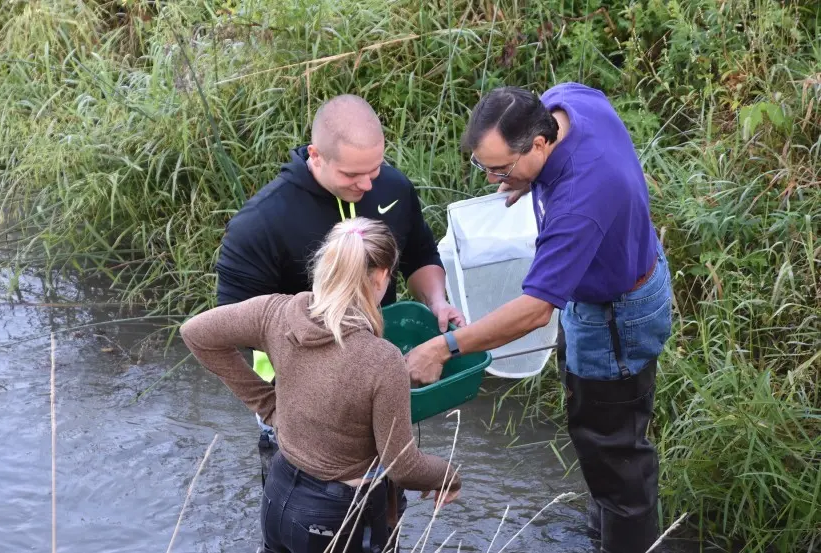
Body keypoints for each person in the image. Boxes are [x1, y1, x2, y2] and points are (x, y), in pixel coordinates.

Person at [405, 83, 673, 553]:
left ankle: (623, 535)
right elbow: (577, 111)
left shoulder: (580, 203)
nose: (493, 180)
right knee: (594, 425)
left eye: (501, 169)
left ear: (540, 144)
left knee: (617, 454)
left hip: (616, 317)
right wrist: (526, 178)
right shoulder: (567, 103)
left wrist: (443, 346)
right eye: (484, 167)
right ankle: (601, 523)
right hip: (604, 283)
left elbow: (534, 311)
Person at [213, 95, 465, 490]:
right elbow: (224, 326)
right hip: (296, 401)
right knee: (302, 518)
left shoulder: (393, 187)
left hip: (377, 380)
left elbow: (421, 255)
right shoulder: (260, 223)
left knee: (382, 507)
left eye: (375, 169)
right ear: (316, 155)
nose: (367, 185)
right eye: (352, 175)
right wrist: (268, 403)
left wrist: (437, 301)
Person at [182, 217, 461, 553]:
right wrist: (448, 475)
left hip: (278, 493)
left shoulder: (277, 311)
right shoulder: (382, 359)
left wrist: (269, 406)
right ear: (381, 277)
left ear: (325, 266)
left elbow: (196, 332)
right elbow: (402, 466)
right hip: (339, 516)